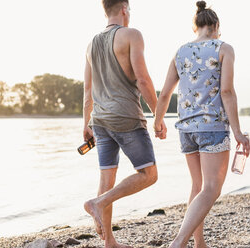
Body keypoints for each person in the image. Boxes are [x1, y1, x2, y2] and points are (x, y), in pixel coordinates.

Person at [154, 1, 250, 247]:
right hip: (212, 126)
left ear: (196, 26)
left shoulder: (180, 51)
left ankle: (199, 243)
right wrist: (238, 132)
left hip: (185, 128)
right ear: (216, 26)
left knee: (198, 185)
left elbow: (165, 94)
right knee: (211, 189)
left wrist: (158, 120)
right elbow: (227, 91)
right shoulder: (223, 48)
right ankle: (179, 241)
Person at [82, 0, 166, 247]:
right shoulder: (131, 35)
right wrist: (158, 116)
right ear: (124, 9)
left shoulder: (90, 44)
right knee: (149, 174)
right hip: (126, 117)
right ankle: (97, 203)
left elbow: (88, 89)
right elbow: (142, 79)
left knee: (106, 179)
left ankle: (109, 243)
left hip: (100, 120)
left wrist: (85, 123)